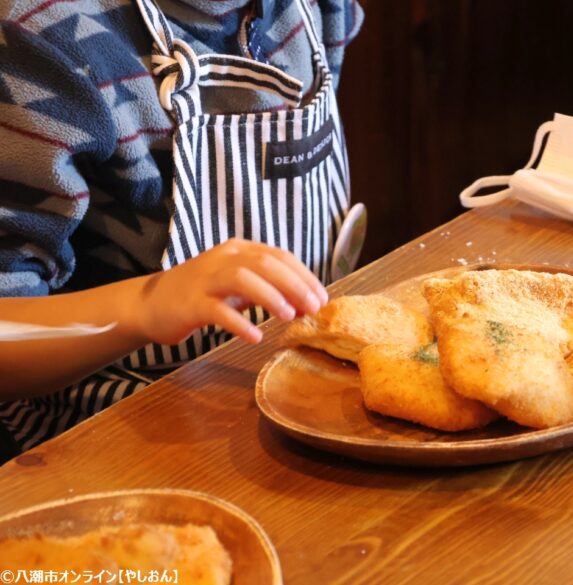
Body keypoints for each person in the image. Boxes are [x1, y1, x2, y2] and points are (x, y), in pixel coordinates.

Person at [0, 0, 364, 458]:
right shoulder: (41, 37)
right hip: (114, 440)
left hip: (309, 401)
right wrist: (145, 305)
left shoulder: (315, 10)